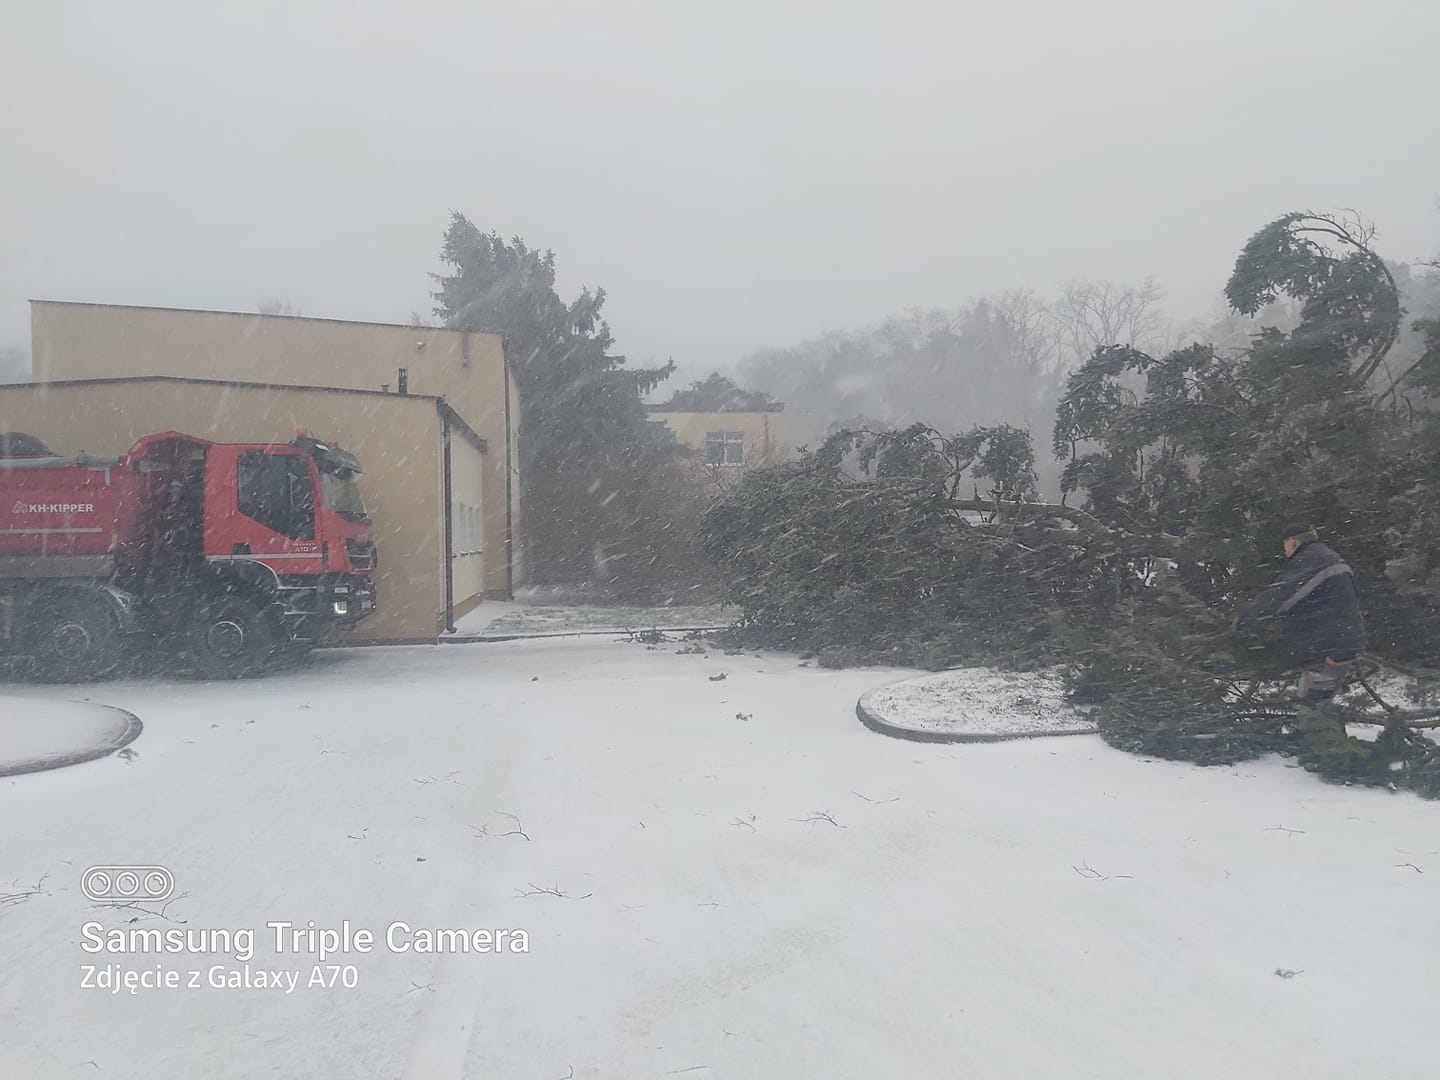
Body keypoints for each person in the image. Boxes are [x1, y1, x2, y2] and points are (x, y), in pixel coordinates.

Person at [1235, 522, 1367, 704]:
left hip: (1327, 641)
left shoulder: (1312, 561)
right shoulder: (1328, 557)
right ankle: (1319, 722)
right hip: (1341, 638)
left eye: (1285, 544)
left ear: (1293, 541)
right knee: (1319, 701)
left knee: (1311, 706)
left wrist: (1247, 617)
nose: (1284, 550)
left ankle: (1312, 724)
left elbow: (1283, 595)